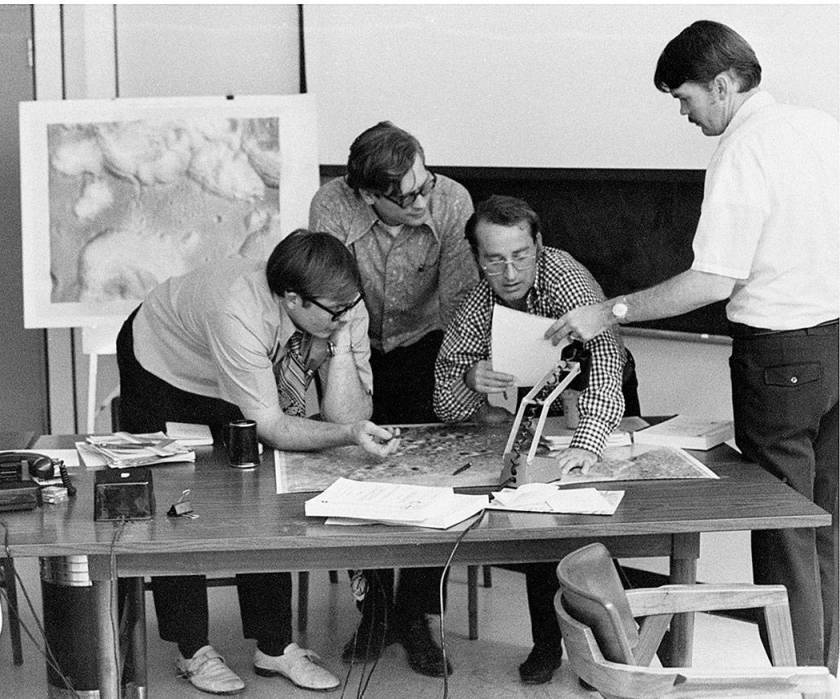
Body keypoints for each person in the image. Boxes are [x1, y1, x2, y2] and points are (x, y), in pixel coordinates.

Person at [545, 20, 838, 675]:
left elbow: (711, 281)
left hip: (783, 360)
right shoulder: (822, 127)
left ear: (724, 84)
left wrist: (608, 310)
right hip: (836, 343)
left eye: (685, 97)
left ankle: (798, 682)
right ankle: (823, 675)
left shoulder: (742, 151)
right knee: (825, 524)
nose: (683, 113)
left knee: (783, 530)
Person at [116, 229, 401, 695]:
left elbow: (346, 414)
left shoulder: (340, 304)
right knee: (178, 498)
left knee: (263, 485)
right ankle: (193, 648)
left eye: (352, 305)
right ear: (293, 299)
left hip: (240, 365)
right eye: (337, 311)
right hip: (166, 365)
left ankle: (274, 646)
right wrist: (349, 435)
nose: (348, 314)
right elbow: (271, 424)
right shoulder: (238, 310)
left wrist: (341, 343)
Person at [434, 194, 638, 684]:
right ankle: (547, 645)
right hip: (540, 407)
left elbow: (606, 363)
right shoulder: (476, 301)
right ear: (477, 258)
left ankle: (614, 654)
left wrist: (587, 442)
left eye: (520, 256)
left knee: (595, 529)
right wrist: (469, 380)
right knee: (535, 518)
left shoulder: (566, 278)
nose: (509, 273)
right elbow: (444, 399)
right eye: (494, 260)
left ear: (539, 245)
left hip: (601, 397)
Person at [308, 121, 479, 676]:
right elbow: (333, 296)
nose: (422, 200)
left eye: (425, 184)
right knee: (359, 473)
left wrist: (460, 381)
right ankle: (376, 610)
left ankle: (415, 615)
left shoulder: (451, 200)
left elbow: (461, 303)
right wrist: (350, 382)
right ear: (366, 195)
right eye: (407, 197)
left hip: (428, 344)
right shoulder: (331, 205)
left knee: (434, 476)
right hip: (352, 343)